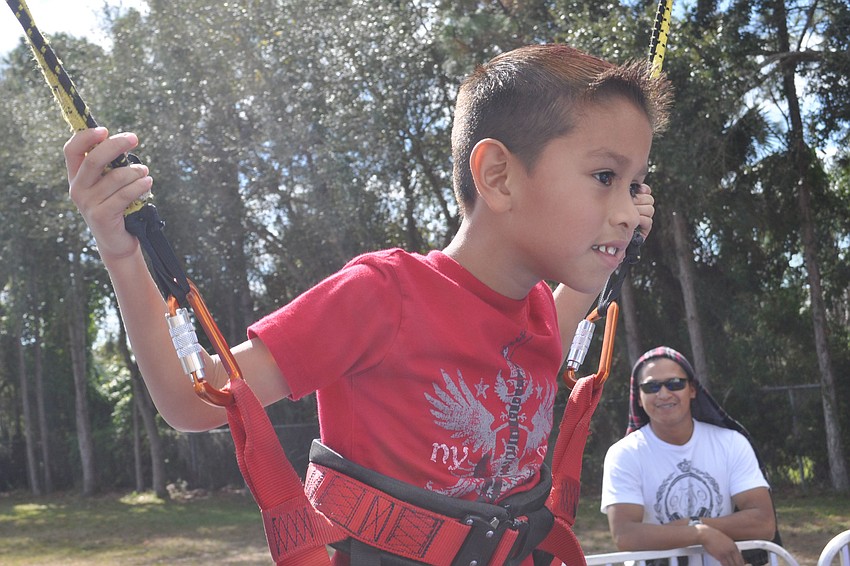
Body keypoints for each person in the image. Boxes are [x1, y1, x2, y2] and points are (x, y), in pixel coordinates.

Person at [64, 44, 672, 564]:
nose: (627, 208)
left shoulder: (543, 315)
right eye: (604, 177)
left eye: (636, 184)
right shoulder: (384, 297)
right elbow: (195, 400)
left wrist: (611, 242)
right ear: (500, 177)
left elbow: (576, 299)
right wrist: (123, 250)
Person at [600, 346, 778, 566]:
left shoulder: (731, 443)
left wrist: (694, 522)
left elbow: (764, 523)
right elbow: (625, 535)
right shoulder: (624, 454)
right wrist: (699, 533)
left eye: (675, 383)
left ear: (692, 389)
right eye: (651, 387)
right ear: (638, 397)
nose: (663, 394)